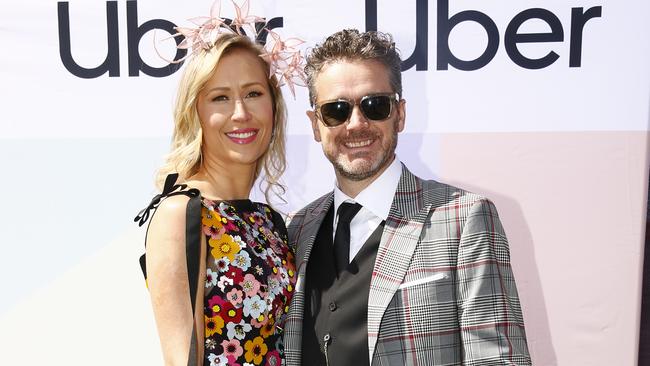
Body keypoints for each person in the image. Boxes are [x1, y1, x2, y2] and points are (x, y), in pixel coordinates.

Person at [283, 29, 531, 365]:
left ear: (399, 113)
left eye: (375, 105)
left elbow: (497, 359)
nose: (356, 124)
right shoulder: (296, 229)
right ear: (316, 125)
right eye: (336, 111)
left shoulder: (464, 219)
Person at [134, 5, 305, 364]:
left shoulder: (268, 221)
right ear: (194, 113)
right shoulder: (181, 213)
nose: (240, 113)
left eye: (254, 93)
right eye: (220, 98)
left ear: (274, 107)